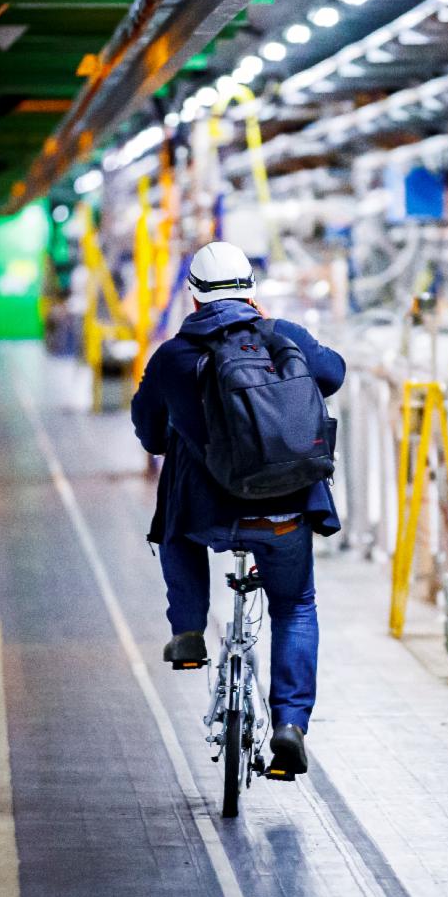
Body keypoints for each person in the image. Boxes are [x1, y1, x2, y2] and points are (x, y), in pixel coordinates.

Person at [130, 241, 345, 777]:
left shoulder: (173, 356)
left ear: (195, 297)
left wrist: (179, 428)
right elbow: (335, 374)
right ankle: (290, 724)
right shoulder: (284, 338)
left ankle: (188, 632)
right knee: (294, 606)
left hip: (209, 516)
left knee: (173, 529)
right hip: (285, 512)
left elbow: (150, 433)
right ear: (251, 289)